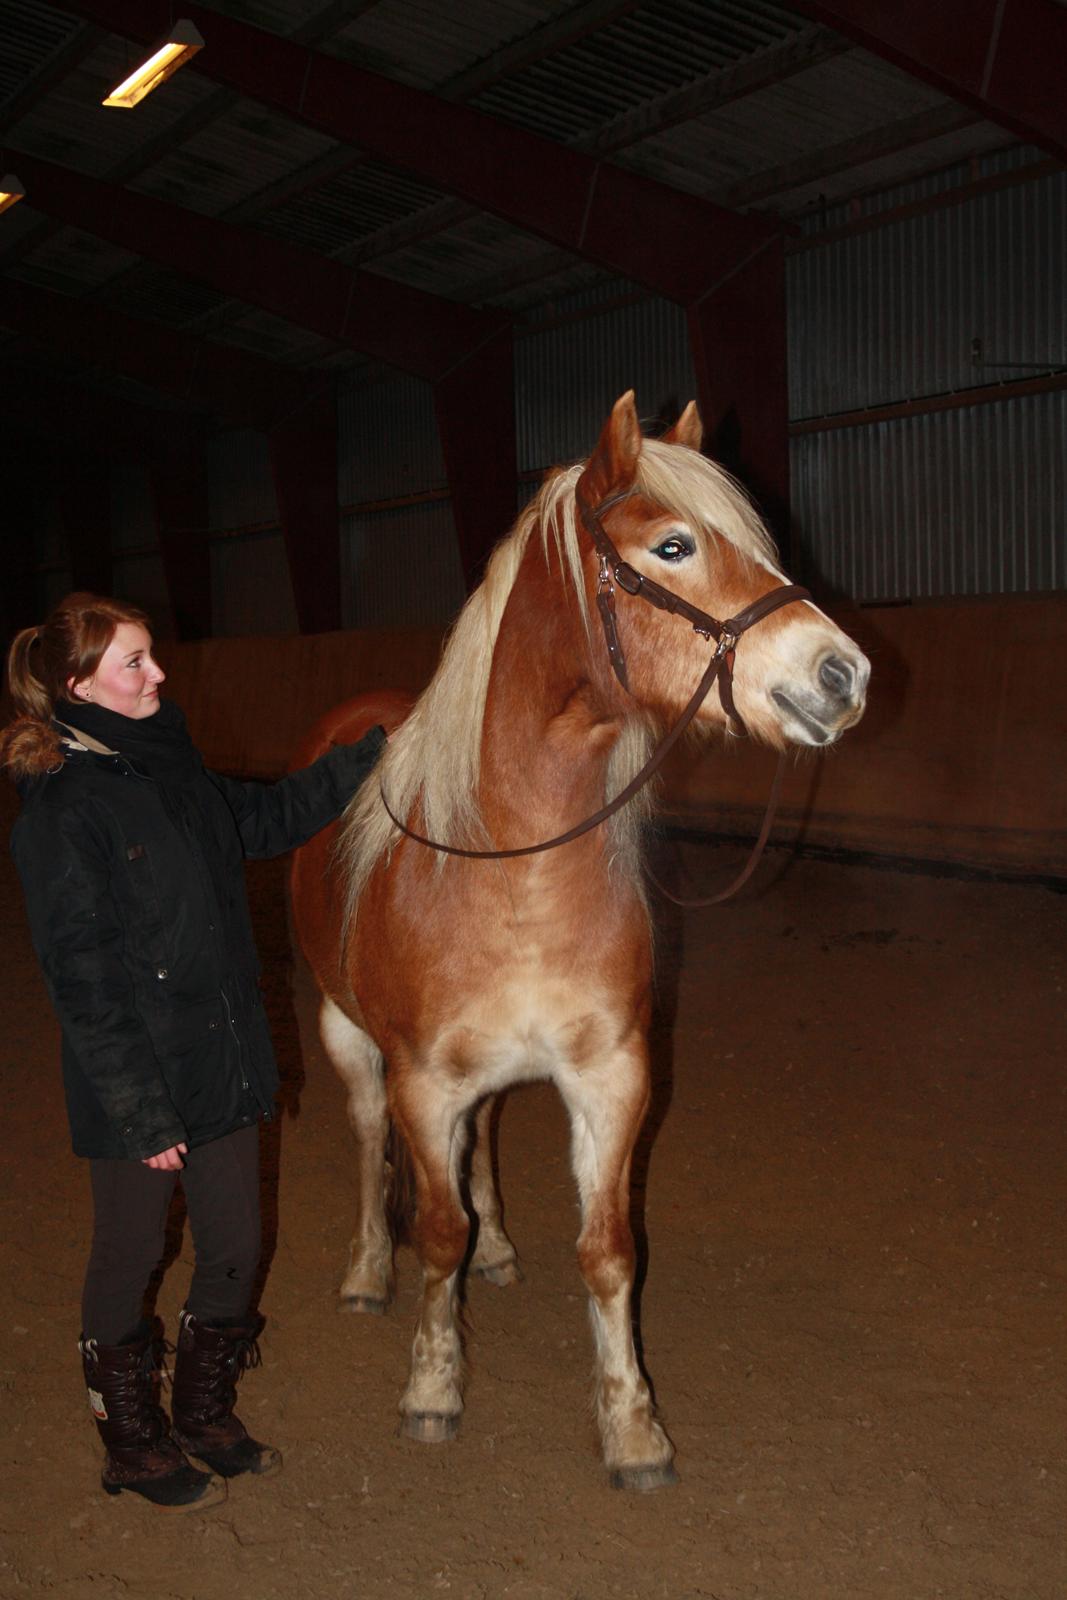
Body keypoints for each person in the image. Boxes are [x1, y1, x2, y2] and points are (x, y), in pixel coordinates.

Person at [1, 592, 385, 1510]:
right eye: (134, 662)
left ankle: (205, 1415)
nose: (157, 674)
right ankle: (133, 1444)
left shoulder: (171, 772)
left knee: (235, 1247)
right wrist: (139, 1111)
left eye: (150, 656)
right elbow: (82, 978)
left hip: (223, 1061)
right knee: (129, 1258)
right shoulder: (61, 813)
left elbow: (267, 819)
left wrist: (369, 756)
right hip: (139, 1085)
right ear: (77, 683)